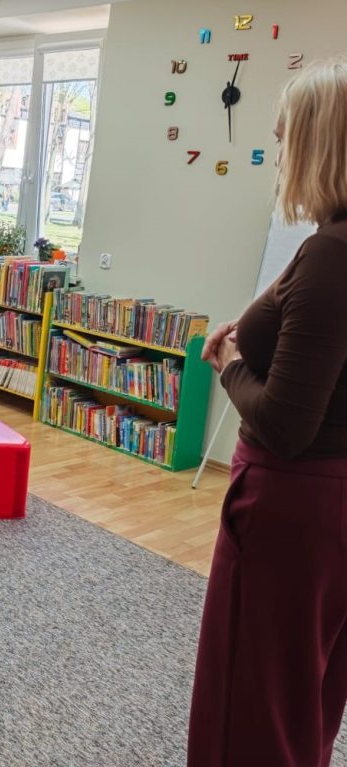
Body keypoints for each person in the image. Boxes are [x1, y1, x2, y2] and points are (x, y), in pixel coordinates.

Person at [188, 57, 347, 767]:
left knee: (251, 703)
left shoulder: (329, 256)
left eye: (284, 138)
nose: (278, 155)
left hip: (293, 505)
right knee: (306, 695)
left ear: (320, 143)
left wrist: (229, 361)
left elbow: (284, 424)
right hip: (332, 504)